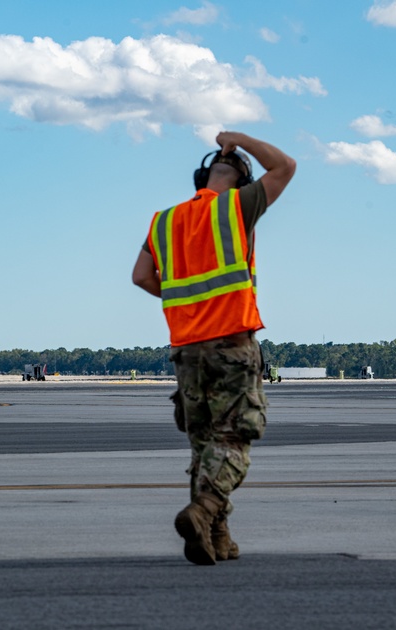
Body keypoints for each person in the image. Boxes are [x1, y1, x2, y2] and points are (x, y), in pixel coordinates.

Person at [131, 131, 296, 565]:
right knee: (234, 438)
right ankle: (203, 512)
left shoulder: (164, 221)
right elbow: (285, 166)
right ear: (243, 183)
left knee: (204, 443)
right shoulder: (237, 206)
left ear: (201, 177)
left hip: (186, 349)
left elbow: (142, 277)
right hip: (230, 341)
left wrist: (187, 302)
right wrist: (237, 138)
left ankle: (217, 536)